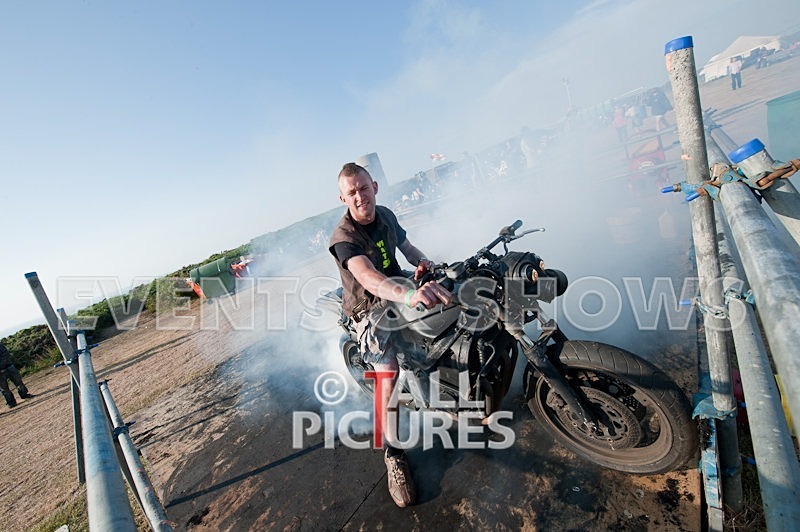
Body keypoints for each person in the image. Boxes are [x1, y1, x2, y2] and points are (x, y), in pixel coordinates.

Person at [328, 162, 452, 507]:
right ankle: (393, 453)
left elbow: (409, 250)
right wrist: (410, 295)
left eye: (364, 188)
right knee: (387, 373)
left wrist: (427, 265)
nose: (360, 196)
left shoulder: (385, 215)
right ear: (343, 198)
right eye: (352, 192)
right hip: (369, 306)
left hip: (399, 287)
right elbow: (368, 278)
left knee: (455, 299)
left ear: (375, 187)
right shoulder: (343, 238)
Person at [0, 342, 32, 408]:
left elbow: (5, 354)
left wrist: (1, 366)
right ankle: (11, 402)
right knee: (4, 389)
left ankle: (24, 395)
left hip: (9, 366)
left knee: (18, 382)